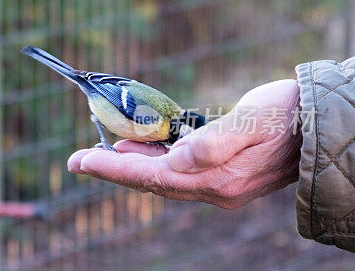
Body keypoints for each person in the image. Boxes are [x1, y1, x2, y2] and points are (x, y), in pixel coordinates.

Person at [67, 59, 355, 252]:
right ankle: (104, 142)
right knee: (100, 126)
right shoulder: (156, 121)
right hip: (102, 95)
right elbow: (119, 94)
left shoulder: (170, 117)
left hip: (112, 87)